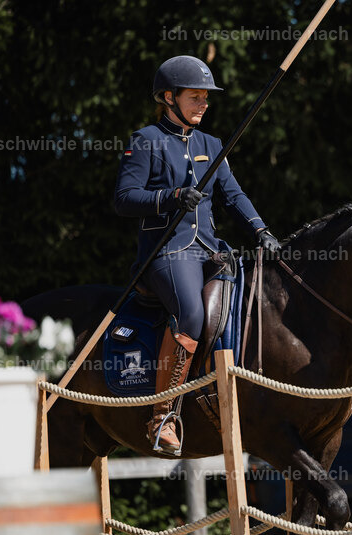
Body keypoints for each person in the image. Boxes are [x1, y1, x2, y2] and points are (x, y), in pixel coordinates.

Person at [114, 55, 280, 454]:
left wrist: (261, 230)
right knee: (191, 313)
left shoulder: (212, 144)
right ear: (169, 97)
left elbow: (233, 195)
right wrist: (170, 197)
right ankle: (163, 416)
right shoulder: (146, 140)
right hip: (168, 253)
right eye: (195, 96)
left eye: (206, 97)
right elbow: (124, 198)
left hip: (210, 250)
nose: (203, 103)